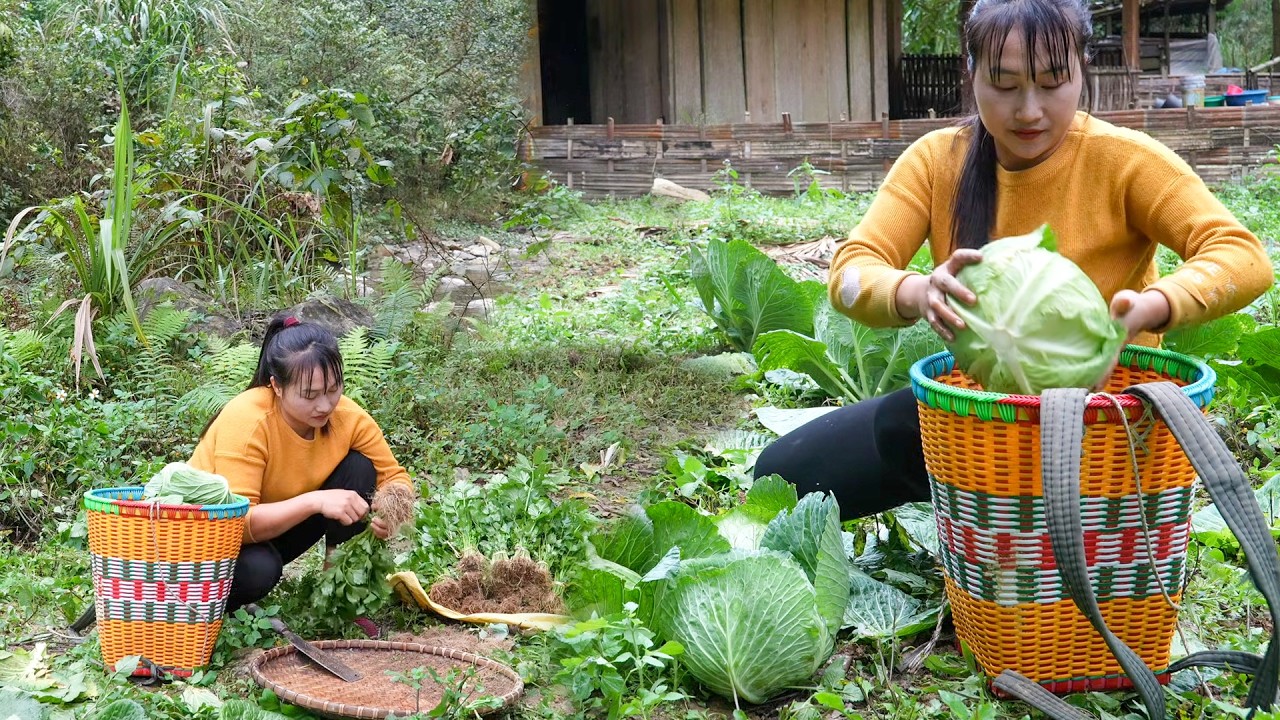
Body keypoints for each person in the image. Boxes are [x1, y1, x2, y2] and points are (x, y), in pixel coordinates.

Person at [753, 0, 1273, 521]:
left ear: (1081, 71)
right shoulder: (938, 161)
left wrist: (1156, 305)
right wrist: (916, 292)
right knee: (781, 475)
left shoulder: (1124, 160)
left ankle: (1011, 517)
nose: (1028, 110)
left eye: (1052, 83)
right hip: (984, 412)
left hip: (1104, 427)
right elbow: (852, 268)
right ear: (972, 72)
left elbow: (1242, 255)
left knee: (1042, 544)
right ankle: (988, 507)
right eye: (1004, 84)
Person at [190, 315, 416, 631]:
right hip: (204, 545)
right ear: (276, 387)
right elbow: (235, 524)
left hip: (275, 529)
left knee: (359, 468)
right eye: (310, 395)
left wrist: (391, 510)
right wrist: (315, 501)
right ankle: (200, 607)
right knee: (259, 570)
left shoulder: (347, 417)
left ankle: (337, 596)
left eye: (334, 389)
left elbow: (395, 477)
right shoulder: (247, 420)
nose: (325, 405)